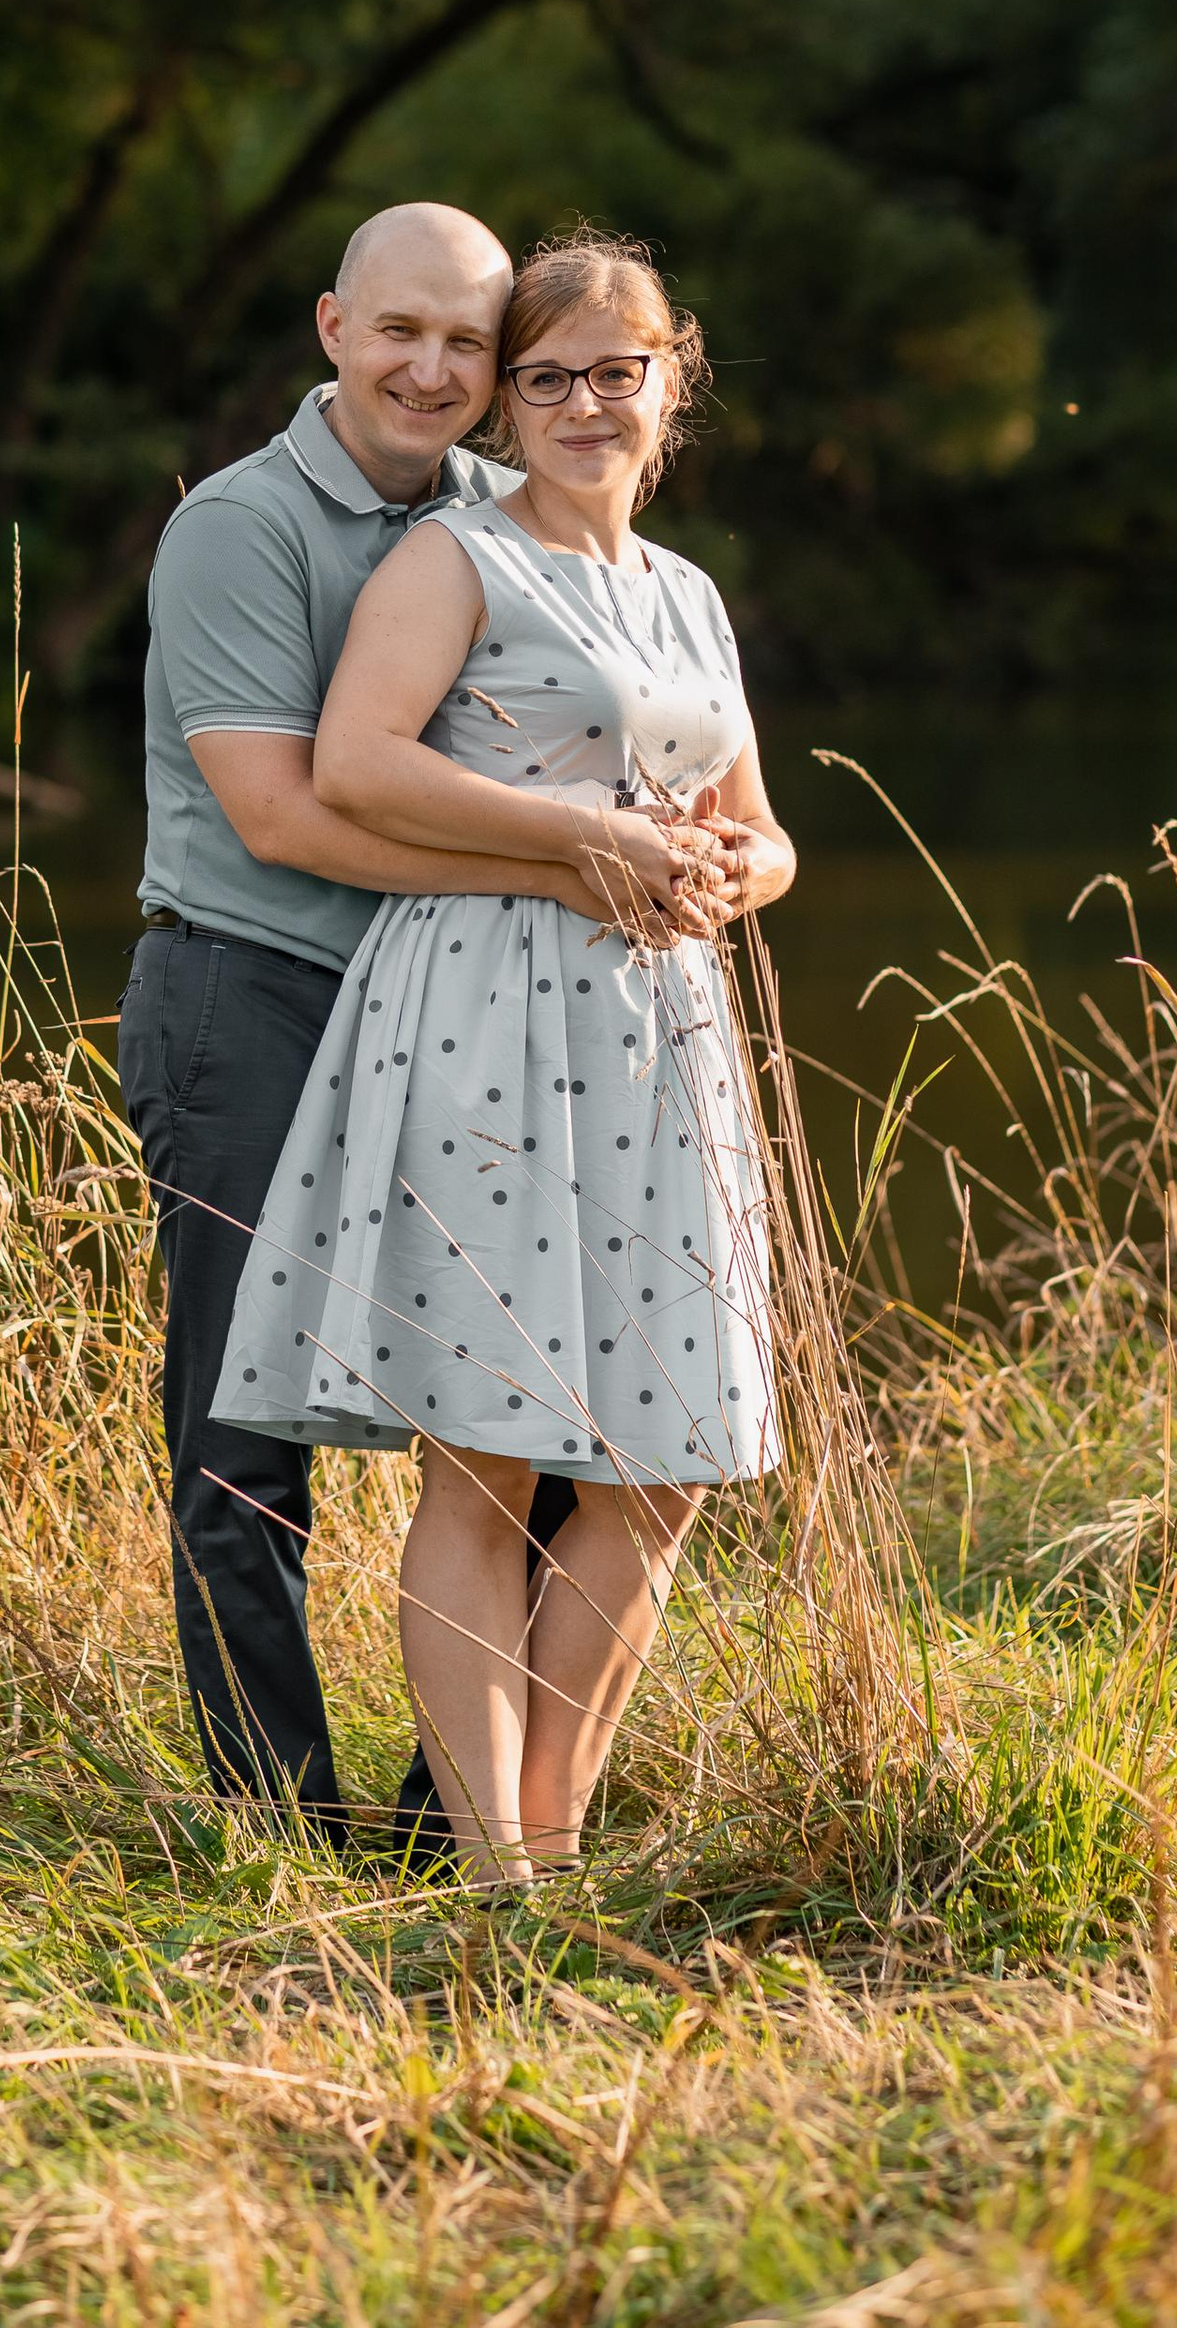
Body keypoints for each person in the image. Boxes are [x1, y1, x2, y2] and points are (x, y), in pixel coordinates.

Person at [118, 202, 726, 1848]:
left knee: (527, 1423)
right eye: (402, 331)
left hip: (463, 1019)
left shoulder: (492, 517)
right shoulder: (238, 529)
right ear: (334, 329)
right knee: (247, 1443)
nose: (433, 369)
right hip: (253, 990)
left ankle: (457, 1825)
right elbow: (286, 817)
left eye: (468, 343)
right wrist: (577, 861)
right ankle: (281, 1828)